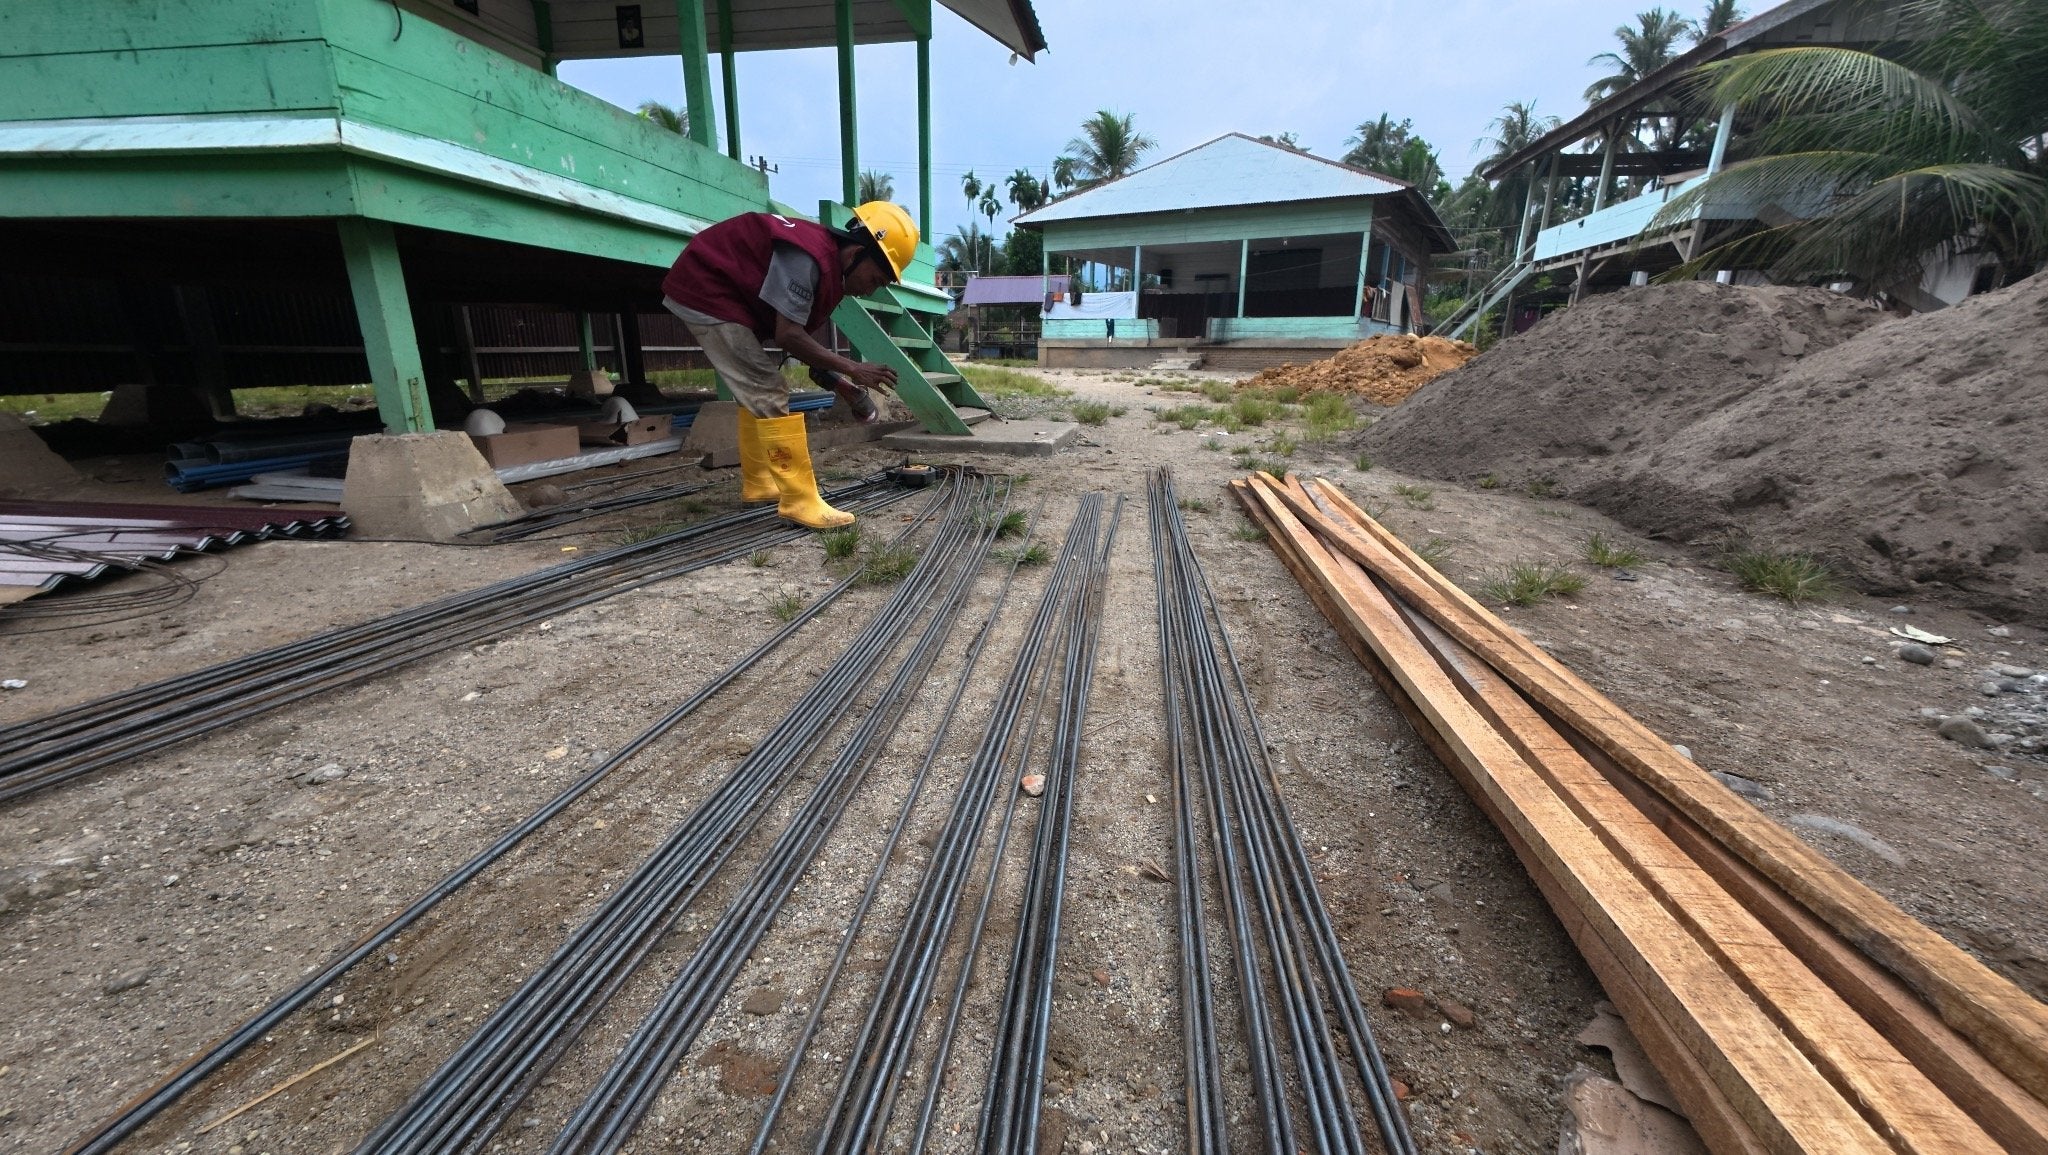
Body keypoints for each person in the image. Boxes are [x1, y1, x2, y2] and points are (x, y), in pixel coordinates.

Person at [660, 202, 917, 528]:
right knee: (767, 387)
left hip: (728, 294)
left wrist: (842, 385)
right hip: (708, 289)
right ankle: (800, 501)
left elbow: (802, 347)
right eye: (876, 279)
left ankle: (760, 484)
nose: (871, 290)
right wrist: (853, 369)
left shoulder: (828, 269)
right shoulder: (808, 257)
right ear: (855, 255)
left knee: (756, 387)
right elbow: (789, 336)